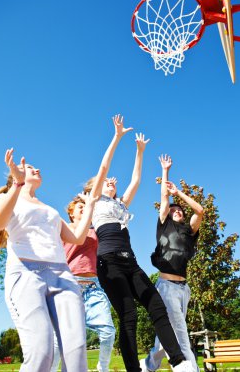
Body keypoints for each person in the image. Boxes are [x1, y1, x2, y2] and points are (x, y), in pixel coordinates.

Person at [0, 115, 123, 372]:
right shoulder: (11, 197)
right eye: (30, 168)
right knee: (42, 354)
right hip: (26, 274)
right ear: (16, 176)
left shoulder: (50, 210)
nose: (36, 169)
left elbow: (77, 238)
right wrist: (16, 185)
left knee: (75, 352)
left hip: (62, 275)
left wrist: (91, 206)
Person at [84, 129, 195, 372]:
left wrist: (140, 151)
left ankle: (179, 361)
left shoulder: (119, 205)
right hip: (109, 262)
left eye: (113, 181)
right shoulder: (95, 202)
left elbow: (135, 180)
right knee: (129, 316)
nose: (112, 181)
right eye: (106, 182)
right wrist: (116, 137)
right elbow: (103, 168)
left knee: (156, 306)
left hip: (130, 263)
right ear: (96, 187)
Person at [140, 155, 203, 372]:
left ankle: (148, 364)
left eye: (180, 211)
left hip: (183, 289)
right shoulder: (164, 225)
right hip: (166, 286)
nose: (176, 211)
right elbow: (164, 197)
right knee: (181, 333)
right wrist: (165, 172)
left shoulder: (189, 231)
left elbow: (200, 211)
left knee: (167, 335)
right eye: (174, 210)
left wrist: (180, 194)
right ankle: (189, 368)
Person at [51, 195, 115, 372]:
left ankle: (103, 367)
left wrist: (94, 201)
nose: (83, 208)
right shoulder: (65, 228)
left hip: (94, 287)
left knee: (108, 332)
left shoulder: (95, 231)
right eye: (79, 207)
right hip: (70, 285)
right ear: (71, 213)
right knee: (60, 338)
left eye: (84, 207)